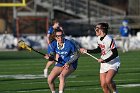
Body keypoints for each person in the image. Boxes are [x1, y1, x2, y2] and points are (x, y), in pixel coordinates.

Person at [80, 23, 120, 93]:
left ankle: (115, 91)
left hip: (113, 62)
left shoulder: (109, 39)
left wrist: (105, 60)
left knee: (108, 80)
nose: (95, 30)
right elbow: (99, 49)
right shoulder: (98, 38)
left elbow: (115, 53)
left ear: (101, 30)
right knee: (103, 84)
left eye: (97, 29)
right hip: (104, 63)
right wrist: (87, 50)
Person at [44, 28, 80, 93]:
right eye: (58, 36)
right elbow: (52, 56)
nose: (60, 38)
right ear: (55, 37)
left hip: (71, 63)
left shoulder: (69, 43)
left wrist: (69, 62)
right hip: (61, 63)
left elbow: (77, 55)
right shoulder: (53, 44)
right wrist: (49, 57)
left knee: (62, 76)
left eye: (61, 35)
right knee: (49, 80)